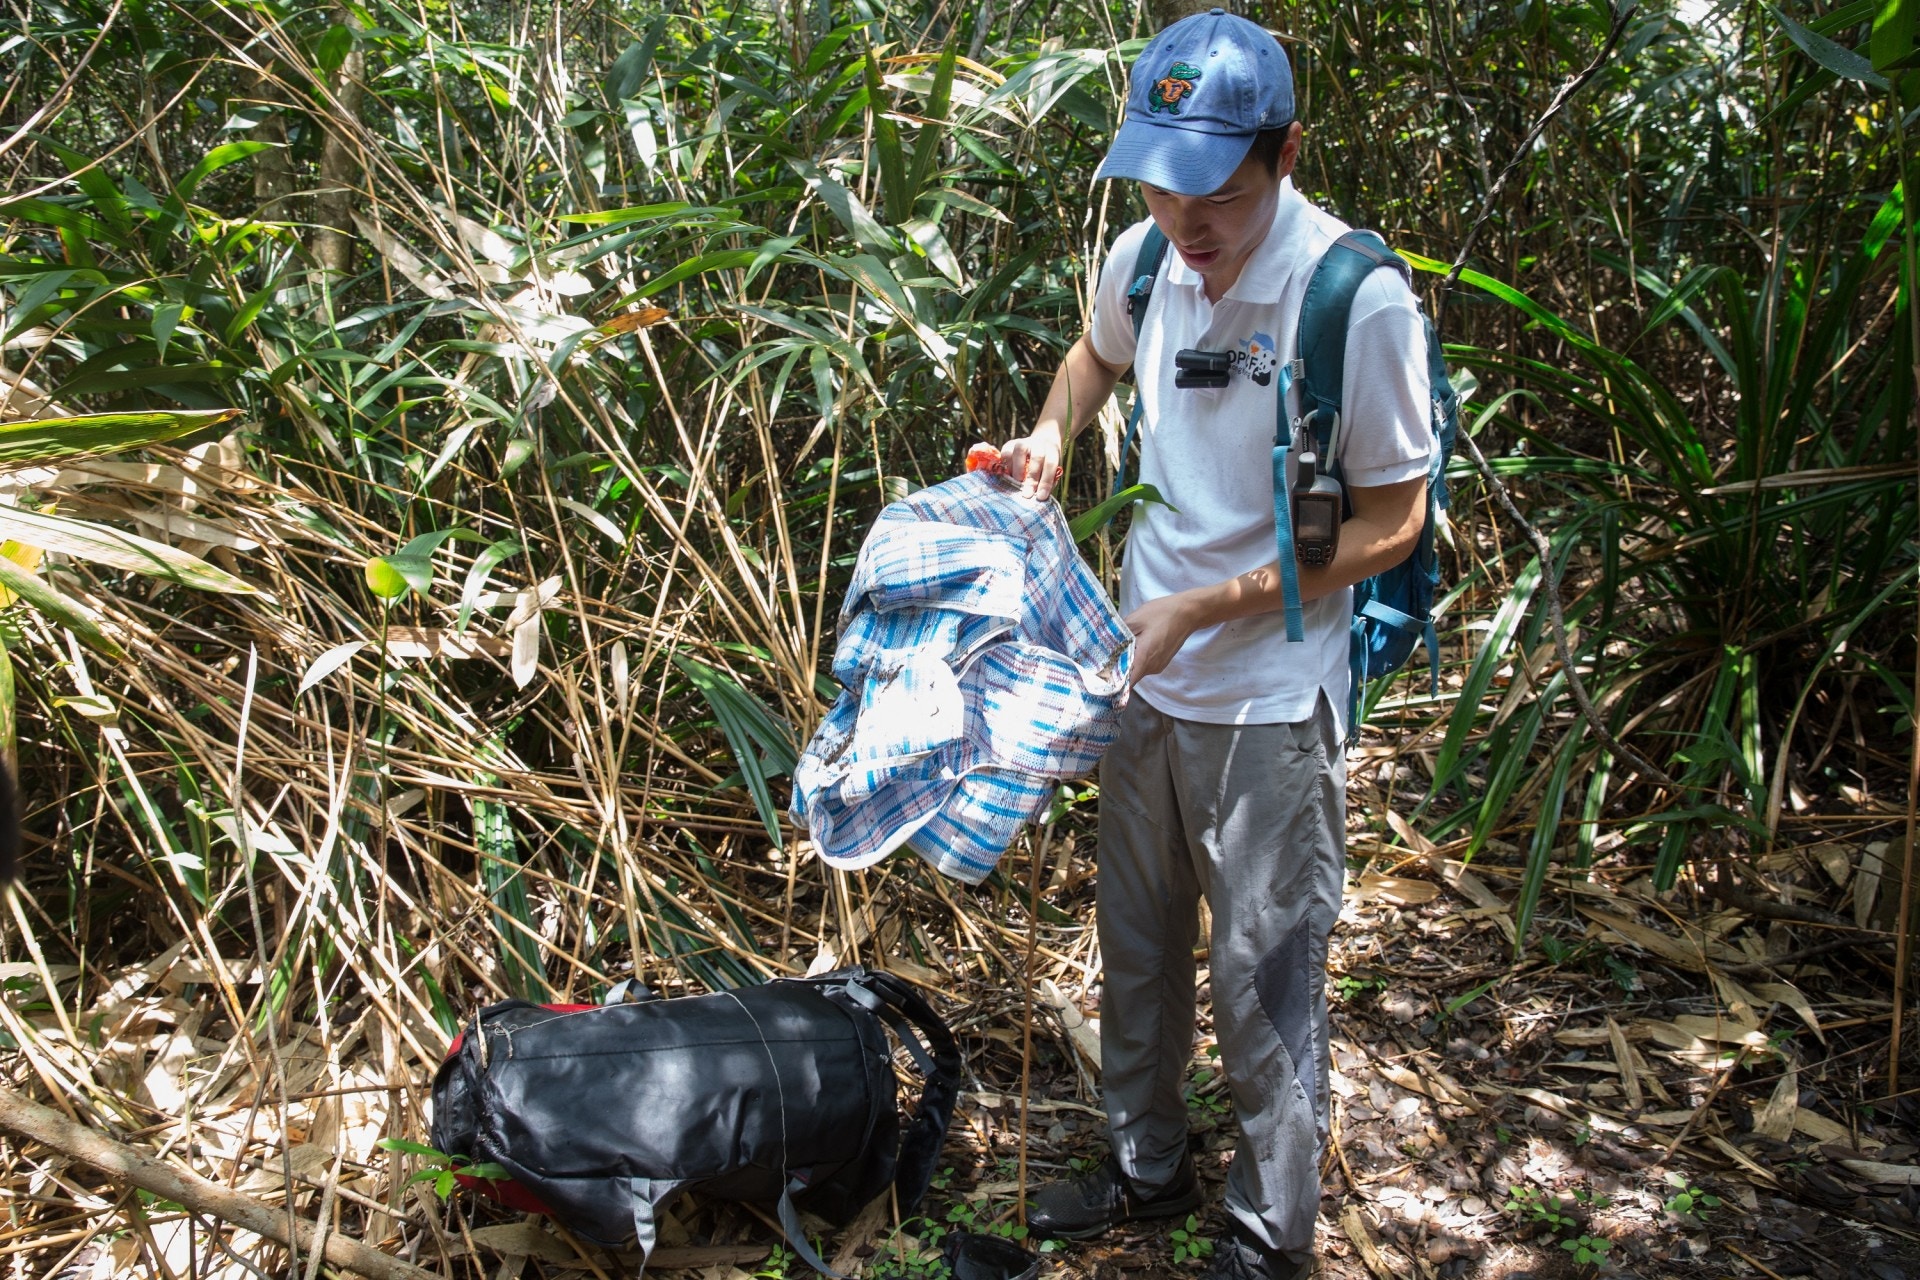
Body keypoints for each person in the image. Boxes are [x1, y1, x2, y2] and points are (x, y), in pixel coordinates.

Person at [1006, 10, 1435, 1279]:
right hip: (1144, 677)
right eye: (1159, 181)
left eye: (1218, 193)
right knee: (1135, 956)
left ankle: (1268, 1232)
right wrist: (1051, 438)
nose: (1188, 221)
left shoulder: (1352, 297)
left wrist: (1202, 606)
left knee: (1262, 981)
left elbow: (1392, 523)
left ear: (1286, 152)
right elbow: (1092, 361)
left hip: (1264, 696)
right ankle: (1145, 1162)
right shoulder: (1145, 259)